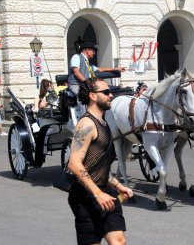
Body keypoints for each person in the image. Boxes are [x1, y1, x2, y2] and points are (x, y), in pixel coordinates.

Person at [68, 78, 133, 245]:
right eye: (106, 92)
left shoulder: (103, 123)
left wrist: (118, 187)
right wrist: (97, 194)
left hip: (106, 193)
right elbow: (74, 163)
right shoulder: (86, 124)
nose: (111, 95)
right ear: (93, 96)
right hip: (85, 196)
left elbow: (99, 166)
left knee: (119, 241)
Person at [68, 41, 125, 116]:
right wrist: (86, 81)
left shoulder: (88, 63)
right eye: (93, 51)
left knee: (101, 94)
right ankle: (84, 117)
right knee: (81, 96)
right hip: (76, 84)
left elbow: (100, 70)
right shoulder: (76, 57)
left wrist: (116, 69)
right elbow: (76, 72)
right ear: (87, 50)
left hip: (87, 85)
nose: (94, 53)